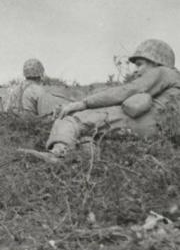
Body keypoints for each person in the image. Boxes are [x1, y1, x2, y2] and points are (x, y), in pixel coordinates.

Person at [45, 39, 180, 162]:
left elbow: (127, 91)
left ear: (156, 62)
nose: (136, 70)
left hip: (147, 122)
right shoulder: (175, 79)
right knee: (88, 134)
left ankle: (58, 155)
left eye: (140, 64)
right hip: (162, 130)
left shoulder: (163, 72)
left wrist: (83, 103)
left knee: (73, 119)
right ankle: (85, 159)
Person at [5, 58, 69, 116]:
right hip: (31, 125)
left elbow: (7, 109)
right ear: (40, 74)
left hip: (13, 124)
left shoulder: (15, 89)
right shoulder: (39, 90)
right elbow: (44, 115)